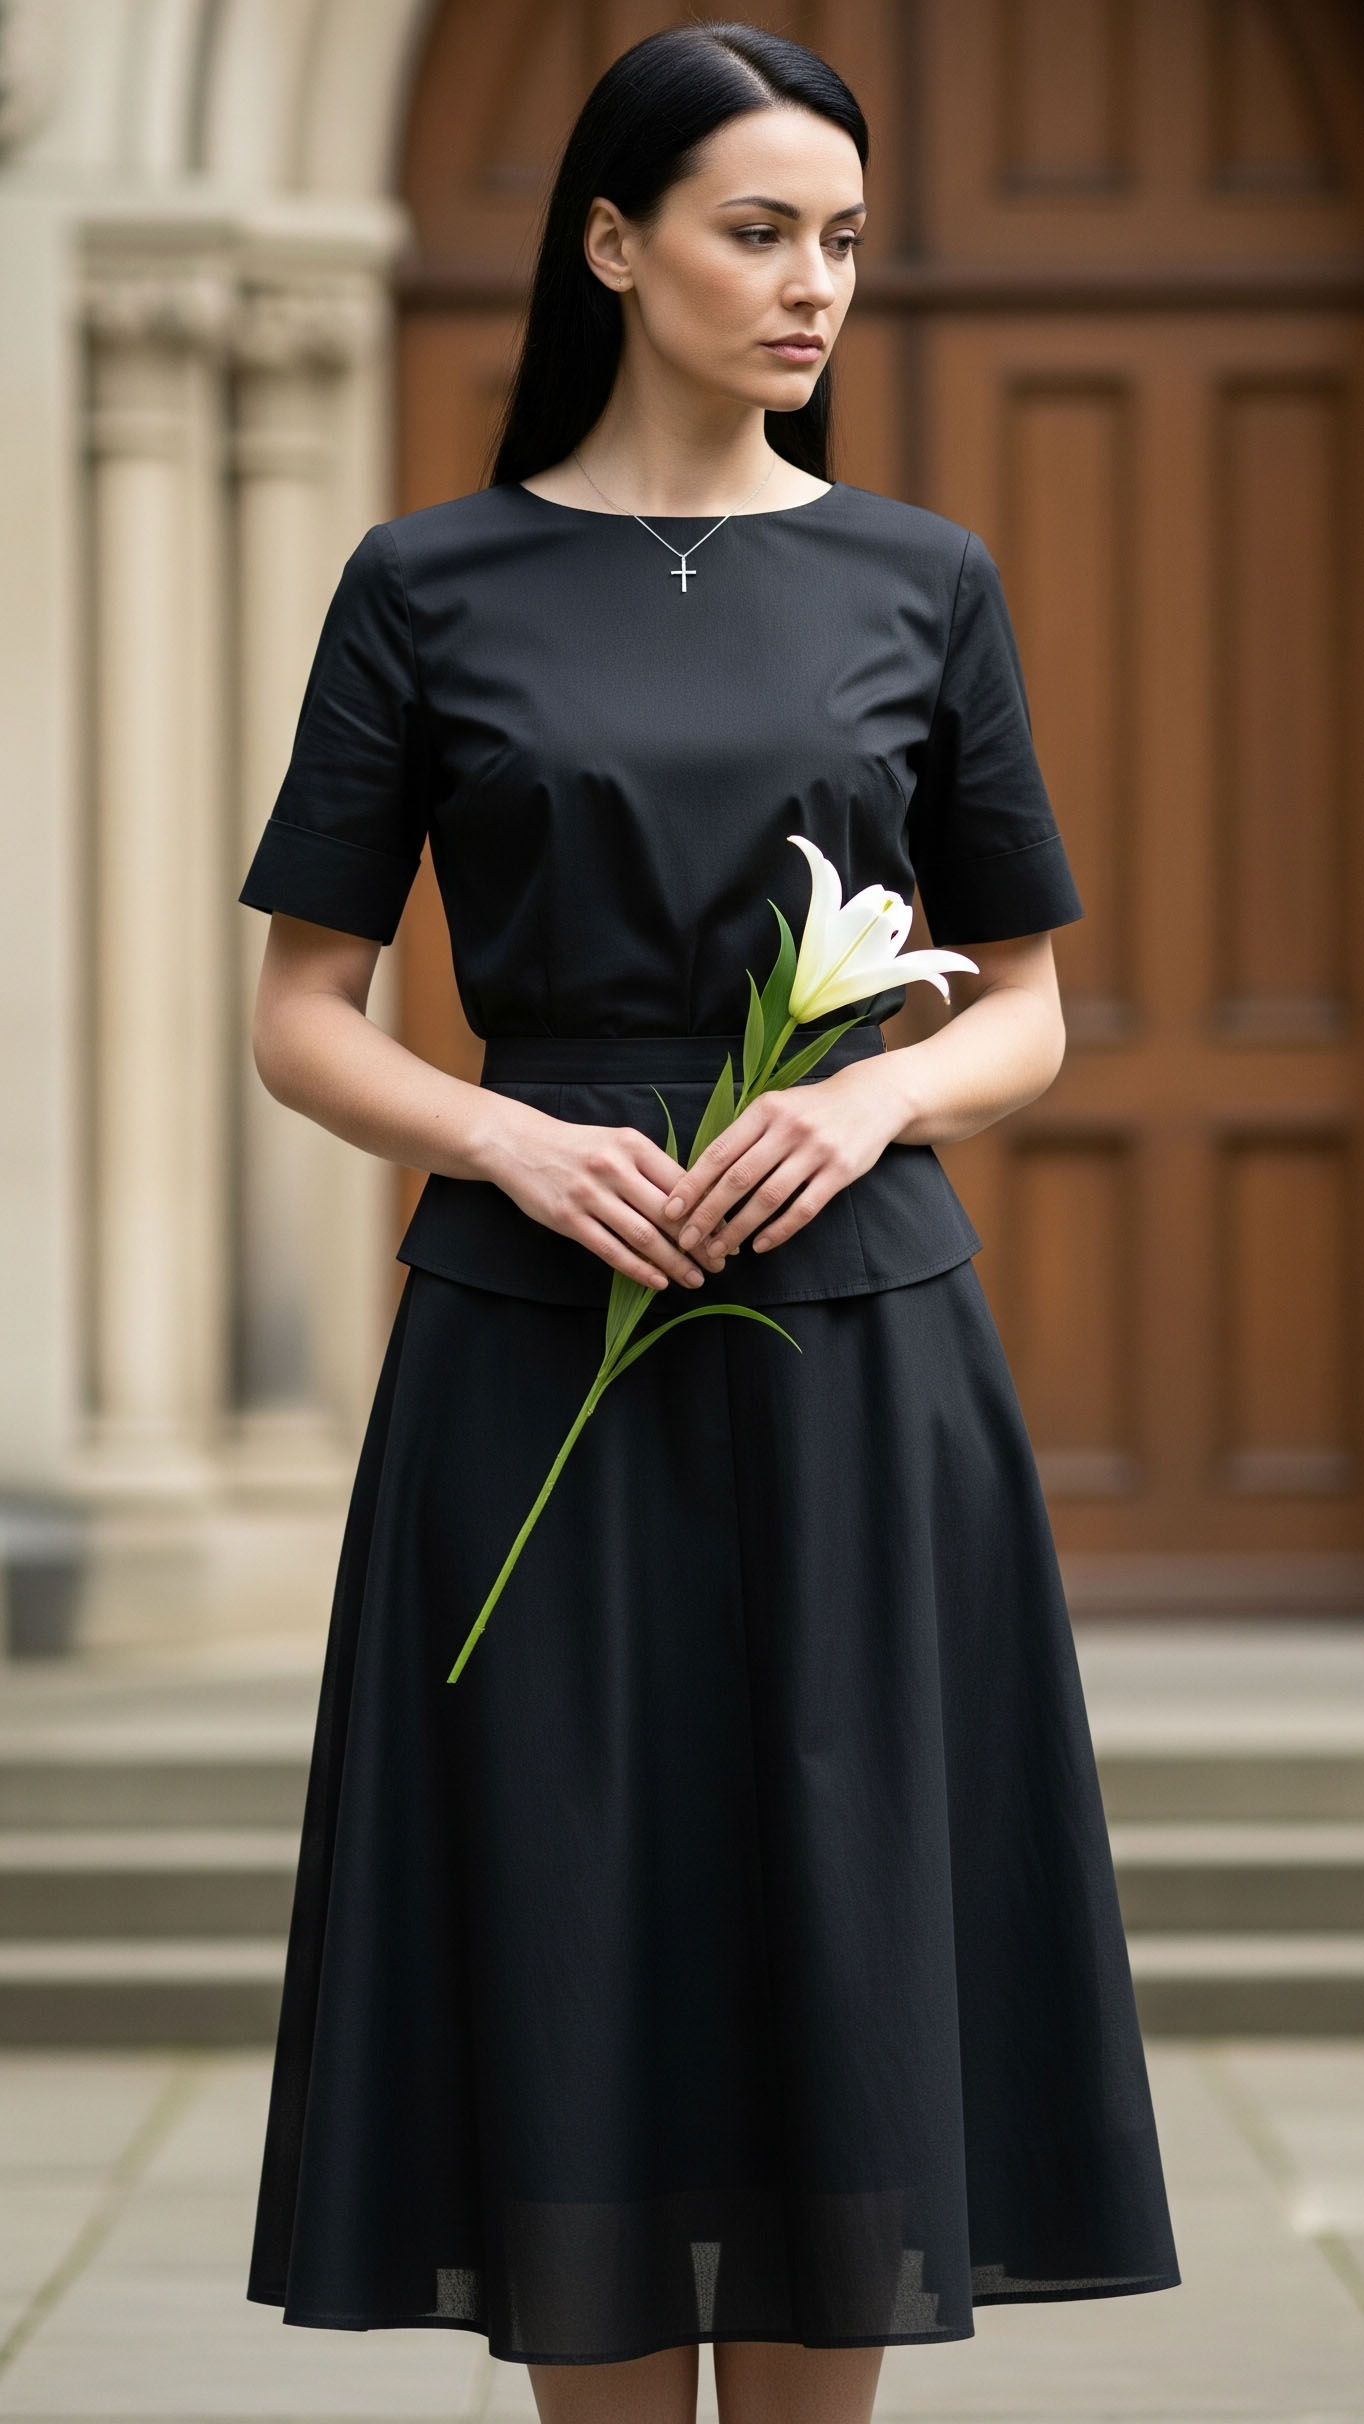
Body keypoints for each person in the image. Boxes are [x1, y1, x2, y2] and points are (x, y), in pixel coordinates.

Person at [237, 21, 1179, 2424]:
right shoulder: (422, 584)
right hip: (524, 1344)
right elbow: (306, 1015)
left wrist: (865, 1116)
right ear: (610, 242)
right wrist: (501, 1137)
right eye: (760, 230)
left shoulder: (920, 578)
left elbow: (1031, 1012)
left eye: (842, 240)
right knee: (573, 1936)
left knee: (834, 1950)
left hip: (859, 1357)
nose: (813, 286)